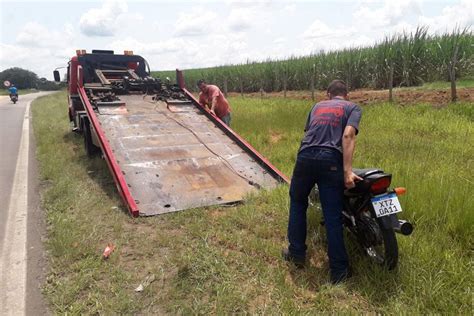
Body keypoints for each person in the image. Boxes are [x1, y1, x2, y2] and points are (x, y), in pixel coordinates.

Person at [282, 79, 362, 284]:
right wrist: (347, 172)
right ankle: (339, 271)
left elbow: (309, 133)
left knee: (298, 203)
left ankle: (296, 254)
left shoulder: (317, 106)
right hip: (331, 161)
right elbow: (348, 135)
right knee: (332, 216)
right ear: (347, 94)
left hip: (305, 156)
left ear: (328, 94)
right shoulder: (352, 108)